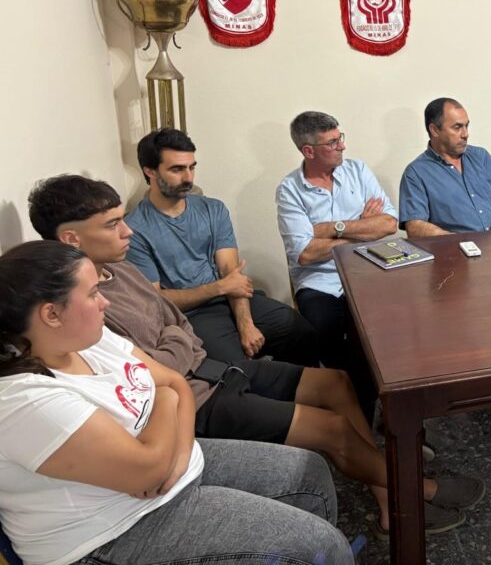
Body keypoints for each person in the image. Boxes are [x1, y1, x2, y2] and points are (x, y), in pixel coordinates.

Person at [28, 175, 483, 537]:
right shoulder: (78, 308)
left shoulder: (119, 269)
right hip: (195, 398)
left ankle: (388, 500)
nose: (126, 231)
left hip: (209, 367)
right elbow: (154, 366)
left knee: (336, 382)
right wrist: (177, 342)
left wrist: (177, 340)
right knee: (329, 427)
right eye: (111, 224)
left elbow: (177, 324)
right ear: (70, 239)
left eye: (122, 219)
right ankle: (419, 489)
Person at [0, 240, 351, 565]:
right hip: (110, 532)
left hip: (169, 473)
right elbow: (149, 464)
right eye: (93, 294)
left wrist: (173, 457)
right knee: (321, 546)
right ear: (51, 314)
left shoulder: (88, 337)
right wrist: (165, 414)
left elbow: (175, 383)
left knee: (310, 473)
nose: (105, 301)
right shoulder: (26, 401)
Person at [126, 128, 318, 367]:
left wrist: (245, 323)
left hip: (232, 297)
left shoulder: (212, 209)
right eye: (177, 169)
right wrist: (219, 287)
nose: (188, 177)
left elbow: (231, 273)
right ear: (150, 171)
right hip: (190, 314)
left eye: (191, 167)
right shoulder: (133, 230)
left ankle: (308, 398)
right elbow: (157, 300)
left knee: (302, 332)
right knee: (238, 368)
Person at [276, 111, 396, 420]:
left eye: (340, 138)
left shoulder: (358, 171)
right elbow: (304, 253)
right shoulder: (289, 190)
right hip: (319, 282)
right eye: (332, 142)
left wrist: (335, 227)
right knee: (328, 336)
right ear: (308, 150)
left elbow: (388, 224)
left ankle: (376, 411)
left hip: (367, 270)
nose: (342, 146)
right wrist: (361, 229)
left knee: (394, 331)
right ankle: (359, 413)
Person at [399, 97, 491, 236]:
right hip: (455, 252)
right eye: (457, 127)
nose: (466, 134)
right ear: (434, 130)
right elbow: (414, 226)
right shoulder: (416, 173)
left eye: (466, 126)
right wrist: (460, 243)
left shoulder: (481, 156)